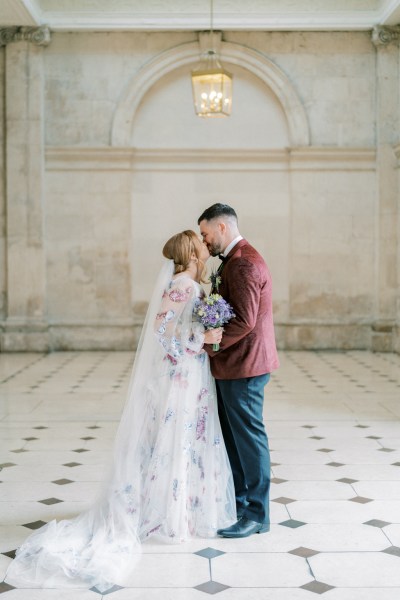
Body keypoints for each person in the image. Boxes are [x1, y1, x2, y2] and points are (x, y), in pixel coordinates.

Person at [5, 230, 236, 593]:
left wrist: (202, 334)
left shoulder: (191, 284)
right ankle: (168, 518)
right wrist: (197, 342)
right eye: (202, 244)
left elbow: (178, 325)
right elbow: (162, 330)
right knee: (175, 439)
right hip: (181, 373)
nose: (207, 249)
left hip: (193, 373)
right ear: (191, 252)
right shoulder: (184, 286)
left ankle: (179, 513)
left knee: (187, 438)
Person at [198, 204, 280, 538]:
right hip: (235, 366)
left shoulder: (244, 262)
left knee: (249, 440)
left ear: (221, 227)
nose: (205, 242)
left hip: (245, 366)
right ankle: (240, 504)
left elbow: (245, 321)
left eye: (205, 234)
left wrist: (209, 345)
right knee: (234, 439)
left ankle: (258, 515)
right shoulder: (234, 260)